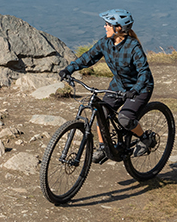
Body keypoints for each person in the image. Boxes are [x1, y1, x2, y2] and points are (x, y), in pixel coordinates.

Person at [61, 9, 156, 163]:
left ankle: (145, 138)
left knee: (125, 118)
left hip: (140, 88)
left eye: (107, 24)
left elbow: (144, 73)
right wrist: (68, 69)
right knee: (101, 111)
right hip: (118, 85)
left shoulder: (133, 47)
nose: (105, 27)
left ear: (119, 28)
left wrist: (135, 90)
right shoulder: (105, 43)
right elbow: (88, 57)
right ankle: (104, 147)